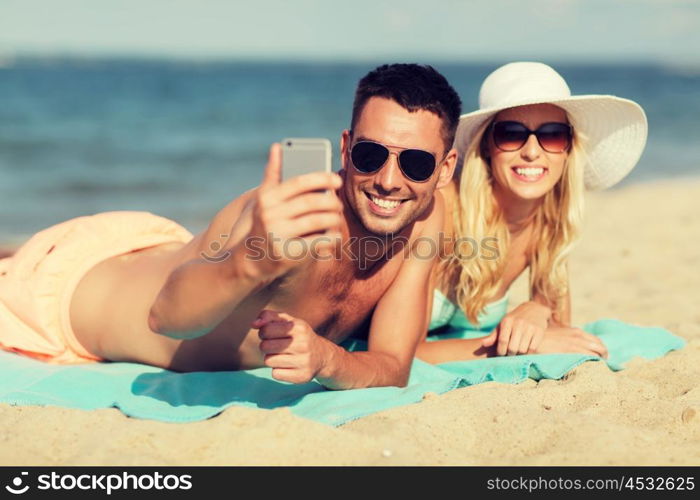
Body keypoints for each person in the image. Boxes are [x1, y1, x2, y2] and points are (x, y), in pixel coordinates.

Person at [0, 63, 461, 389]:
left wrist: (329, 359)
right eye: (370, 154)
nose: (387, 180)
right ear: (345, 148)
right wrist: (252, 260)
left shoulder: (426, 216)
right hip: (68, 297)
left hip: (154, 250)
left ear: (445, 169)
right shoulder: (293, 217)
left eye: (417, 164)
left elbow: (392, 365)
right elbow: (166, 316)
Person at [415, 62, 648, 363]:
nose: (532, 151)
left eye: (552, 135)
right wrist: (522, 346)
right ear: (486, 146)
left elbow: (561, 331)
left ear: (568, 149)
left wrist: (538, 308)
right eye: (512, 134)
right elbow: (400, 355)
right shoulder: (444, 210)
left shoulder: (548, 222)